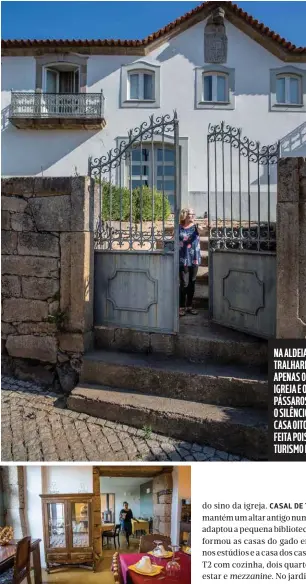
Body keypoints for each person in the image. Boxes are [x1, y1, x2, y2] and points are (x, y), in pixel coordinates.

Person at [179, 208, 201, 316]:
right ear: (185, 215)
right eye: (190, 214)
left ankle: (189, 306)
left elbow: (203, 231)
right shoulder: (178, 227)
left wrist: (207, 228)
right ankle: (181, 306)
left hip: (194, 258)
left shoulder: (196, 227)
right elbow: (174, 239)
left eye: (193, 214)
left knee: (192, 282)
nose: (192, 216)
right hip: (183, 258)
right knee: (184, 283)